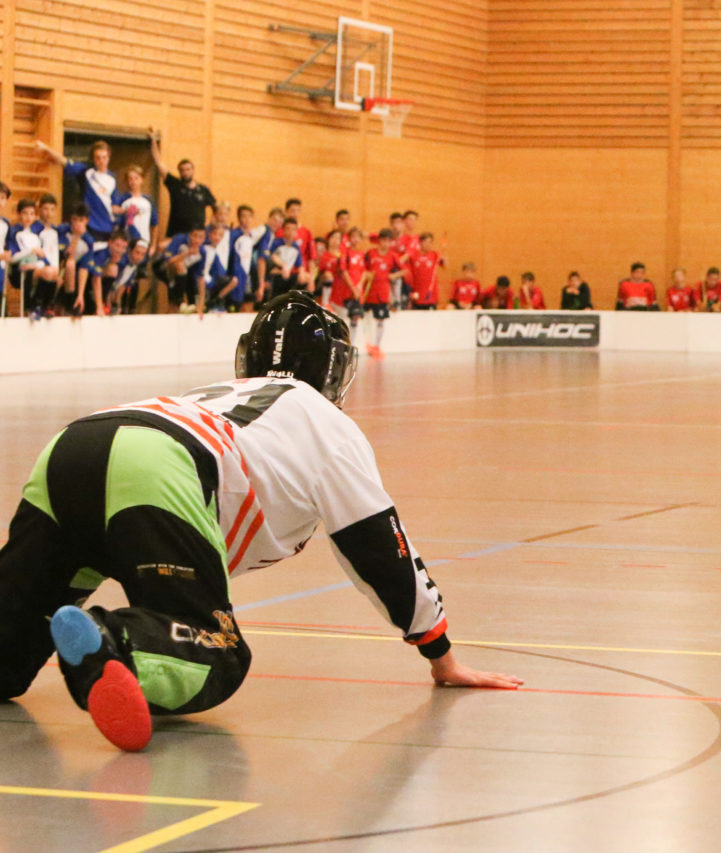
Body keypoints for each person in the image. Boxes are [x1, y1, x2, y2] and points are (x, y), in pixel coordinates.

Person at [0, 292, 522, 752]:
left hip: (71, 447)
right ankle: (113, 642)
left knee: (9, 647)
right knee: (216, 649)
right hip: (161, 467)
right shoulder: (327, 423)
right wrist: (440, 653)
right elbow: (381, 549)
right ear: (333, 369)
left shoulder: (220, 392)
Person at [35, 140, 116, 245]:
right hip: (90, 224)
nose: (101, 161)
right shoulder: (87, 171)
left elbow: (114, 205)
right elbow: (65, 161)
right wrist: (46, 148)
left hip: (107, 226)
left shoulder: (113, 179)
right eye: (98, 157)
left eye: (104, 157)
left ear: (108, 157)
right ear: (94, 158)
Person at [149, 128, 217, 239]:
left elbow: (216, 208)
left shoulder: (203, 190)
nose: (185, 172)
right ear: (179, 172)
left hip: (196, 237)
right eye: (182, 170)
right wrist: (153, 140)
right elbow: (159, 163)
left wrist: (210, 228)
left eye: (188, 169)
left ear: (193, 170)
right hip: (175, 234)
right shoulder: (174, 185)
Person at [362, 228, 401, 357]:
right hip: (369, 291)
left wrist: (394, 276)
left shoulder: (393, 256)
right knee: (366, 318)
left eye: (388, 241)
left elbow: (405, 270)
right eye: (383, 240)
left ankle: (377, 346)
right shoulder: (370, 253)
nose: (385, 243)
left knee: (380, 320)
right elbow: (362, 268)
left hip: (383, 292)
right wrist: (367, 274)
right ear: (379, 241)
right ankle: (367, 343)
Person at [113, 166, 159, 250]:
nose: (133, 181)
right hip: (127, 242)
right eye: (130, 179)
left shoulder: (149, 200)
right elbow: (117, 225)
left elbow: (154, 224)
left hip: (144, 242)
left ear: (142, 180)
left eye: (136, 178)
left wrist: (153, 245)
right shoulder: (122, 199)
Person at [408, 232, 445, 310]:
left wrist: (443, 258)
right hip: (417, 294)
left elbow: (444, 264)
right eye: (426, 242)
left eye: (430, 242)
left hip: (431, 295)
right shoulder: (413, 255)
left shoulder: (434, 255)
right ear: (420, 242)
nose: (428, 244)